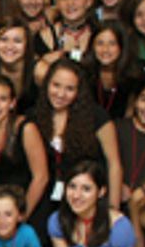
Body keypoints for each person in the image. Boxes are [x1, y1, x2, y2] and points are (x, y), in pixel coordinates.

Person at [31, 58, 124, 235]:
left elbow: (114, 164)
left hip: (84, 199)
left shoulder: (97, 117)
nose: (60, 93)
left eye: (69, 89)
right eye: (56, 85)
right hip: (45, 199)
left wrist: (113, 210)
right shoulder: (34, 116)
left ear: (79, 91)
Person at [0, 75, 49, 225]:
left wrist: (20, 217)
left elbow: (41, 177)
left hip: (26, 209)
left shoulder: (26, 129)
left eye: (3, 99)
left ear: (12, 103)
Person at [31, 0, 94, 73]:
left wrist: (65, 55)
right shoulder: (44, 36)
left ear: (89, 1)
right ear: (57, 4)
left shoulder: (99, 32)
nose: (70, 3)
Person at [81, 20, 142, 119]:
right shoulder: (83, 73)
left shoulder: (134, 79)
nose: (105, 49)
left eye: (112, 44)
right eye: (100, 43)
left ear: (121, 47)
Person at [0, 18, 38, 114]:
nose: (9, 46)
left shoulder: (39, 71)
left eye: (17, 41)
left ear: (27, 45)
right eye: (4, 40)